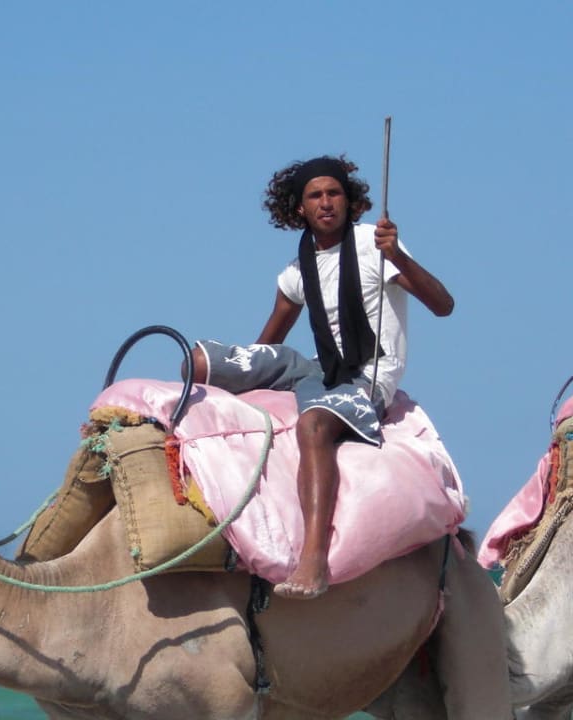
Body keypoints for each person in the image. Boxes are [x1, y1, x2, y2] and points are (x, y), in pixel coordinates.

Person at [188, 155, 454, 599]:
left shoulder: (374, 245)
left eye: (334, 193)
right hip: (319, 367)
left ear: (349, 201)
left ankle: (313, 558)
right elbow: (268, 343)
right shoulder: (297, 271)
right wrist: (241, 377)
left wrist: (397, 257)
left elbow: (443, 305)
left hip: (368, 373)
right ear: (300, 208)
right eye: (315, 196)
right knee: (197, 363)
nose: (326, 202)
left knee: (313, 425)